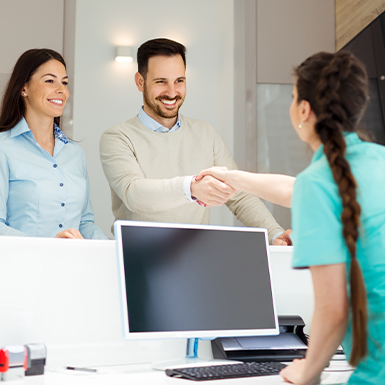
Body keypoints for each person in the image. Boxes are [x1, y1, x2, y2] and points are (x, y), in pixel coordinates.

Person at [198, 51, 385, 384]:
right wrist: (232, 177)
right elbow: (294, 189)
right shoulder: (376, 160)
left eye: (293, 96)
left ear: (303, 110)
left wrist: (307, 370)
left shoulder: (320, 183)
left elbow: (333, 309)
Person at [99, 38, 291, 244]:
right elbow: (134, 194)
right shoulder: (118, 137)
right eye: (161, 81)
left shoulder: (206, 134)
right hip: (136, 256)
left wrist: (274, 233)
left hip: (194, 256)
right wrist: (191, 188)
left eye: (179, 81)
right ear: (140, 82)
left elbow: (239, 195)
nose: (172, 92)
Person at [0, 48, 107, 239]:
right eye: (50, 81)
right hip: (20, 266)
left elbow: (85, 223)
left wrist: (111, 249)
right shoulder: (4, 148)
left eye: (64, 82)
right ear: (24, 88)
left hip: (72, 265)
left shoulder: (75, 153)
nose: (62, 90)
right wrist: (49, 247)